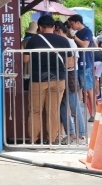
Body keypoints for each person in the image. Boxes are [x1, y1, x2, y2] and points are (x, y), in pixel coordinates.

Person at [23, 15, 72, 144]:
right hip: (58, 78)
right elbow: (70, 62)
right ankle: (51, 141)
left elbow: (26, 59)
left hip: (38, 79)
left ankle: (34, 140)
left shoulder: (34, 40)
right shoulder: (63, 41)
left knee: (35, 110)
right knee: (53, 111)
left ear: (39, 27)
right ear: (54, 26)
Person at [67, 15, 96, 118]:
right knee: (79, 88)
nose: (71, 26)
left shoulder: (87, 31)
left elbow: (85, 45)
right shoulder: (78, 33)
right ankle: (78, 114)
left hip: (86, 63)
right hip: (78, 64)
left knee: (88, 88)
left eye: (72, 24)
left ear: (78, 22)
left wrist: (74, 37)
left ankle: (93, 113)